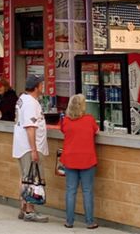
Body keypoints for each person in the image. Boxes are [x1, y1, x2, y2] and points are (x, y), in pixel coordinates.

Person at [12, 74, 49, 224]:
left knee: (25, 177)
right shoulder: (30, 103)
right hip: (29, 147)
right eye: (41, 84)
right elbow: (30, 128)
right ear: (36, 87)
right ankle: (30, 211)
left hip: (22, 145)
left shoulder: (23, 99)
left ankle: (23, 206)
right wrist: (34, 150)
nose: (43, 86)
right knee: (32, 178)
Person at [60, 93, 99, 230]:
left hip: (70, 159)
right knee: (87, 191)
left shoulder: (65, 121)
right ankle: (89, 222)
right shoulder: (90, 120)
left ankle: (69, 221)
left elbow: (63, 131)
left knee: (71, 190)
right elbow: (97, 131)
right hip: (87, 159)